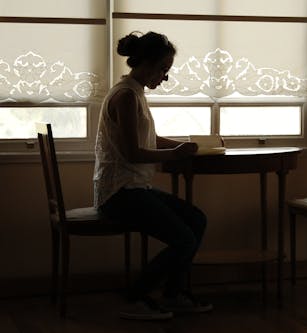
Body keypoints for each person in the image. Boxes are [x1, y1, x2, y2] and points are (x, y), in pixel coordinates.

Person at [93, 31, 212, 320]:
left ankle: (172, 295)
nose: (165, 77)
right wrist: (175, 154)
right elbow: (134, 152)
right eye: (163, 70)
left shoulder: (134, 92)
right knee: (184, 238)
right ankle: (135, 298)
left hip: (135, 189)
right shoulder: (124, 97)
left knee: (196, 219)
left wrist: (186, 146)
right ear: (146, 63)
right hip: (119, 194)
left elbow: (150, 138)